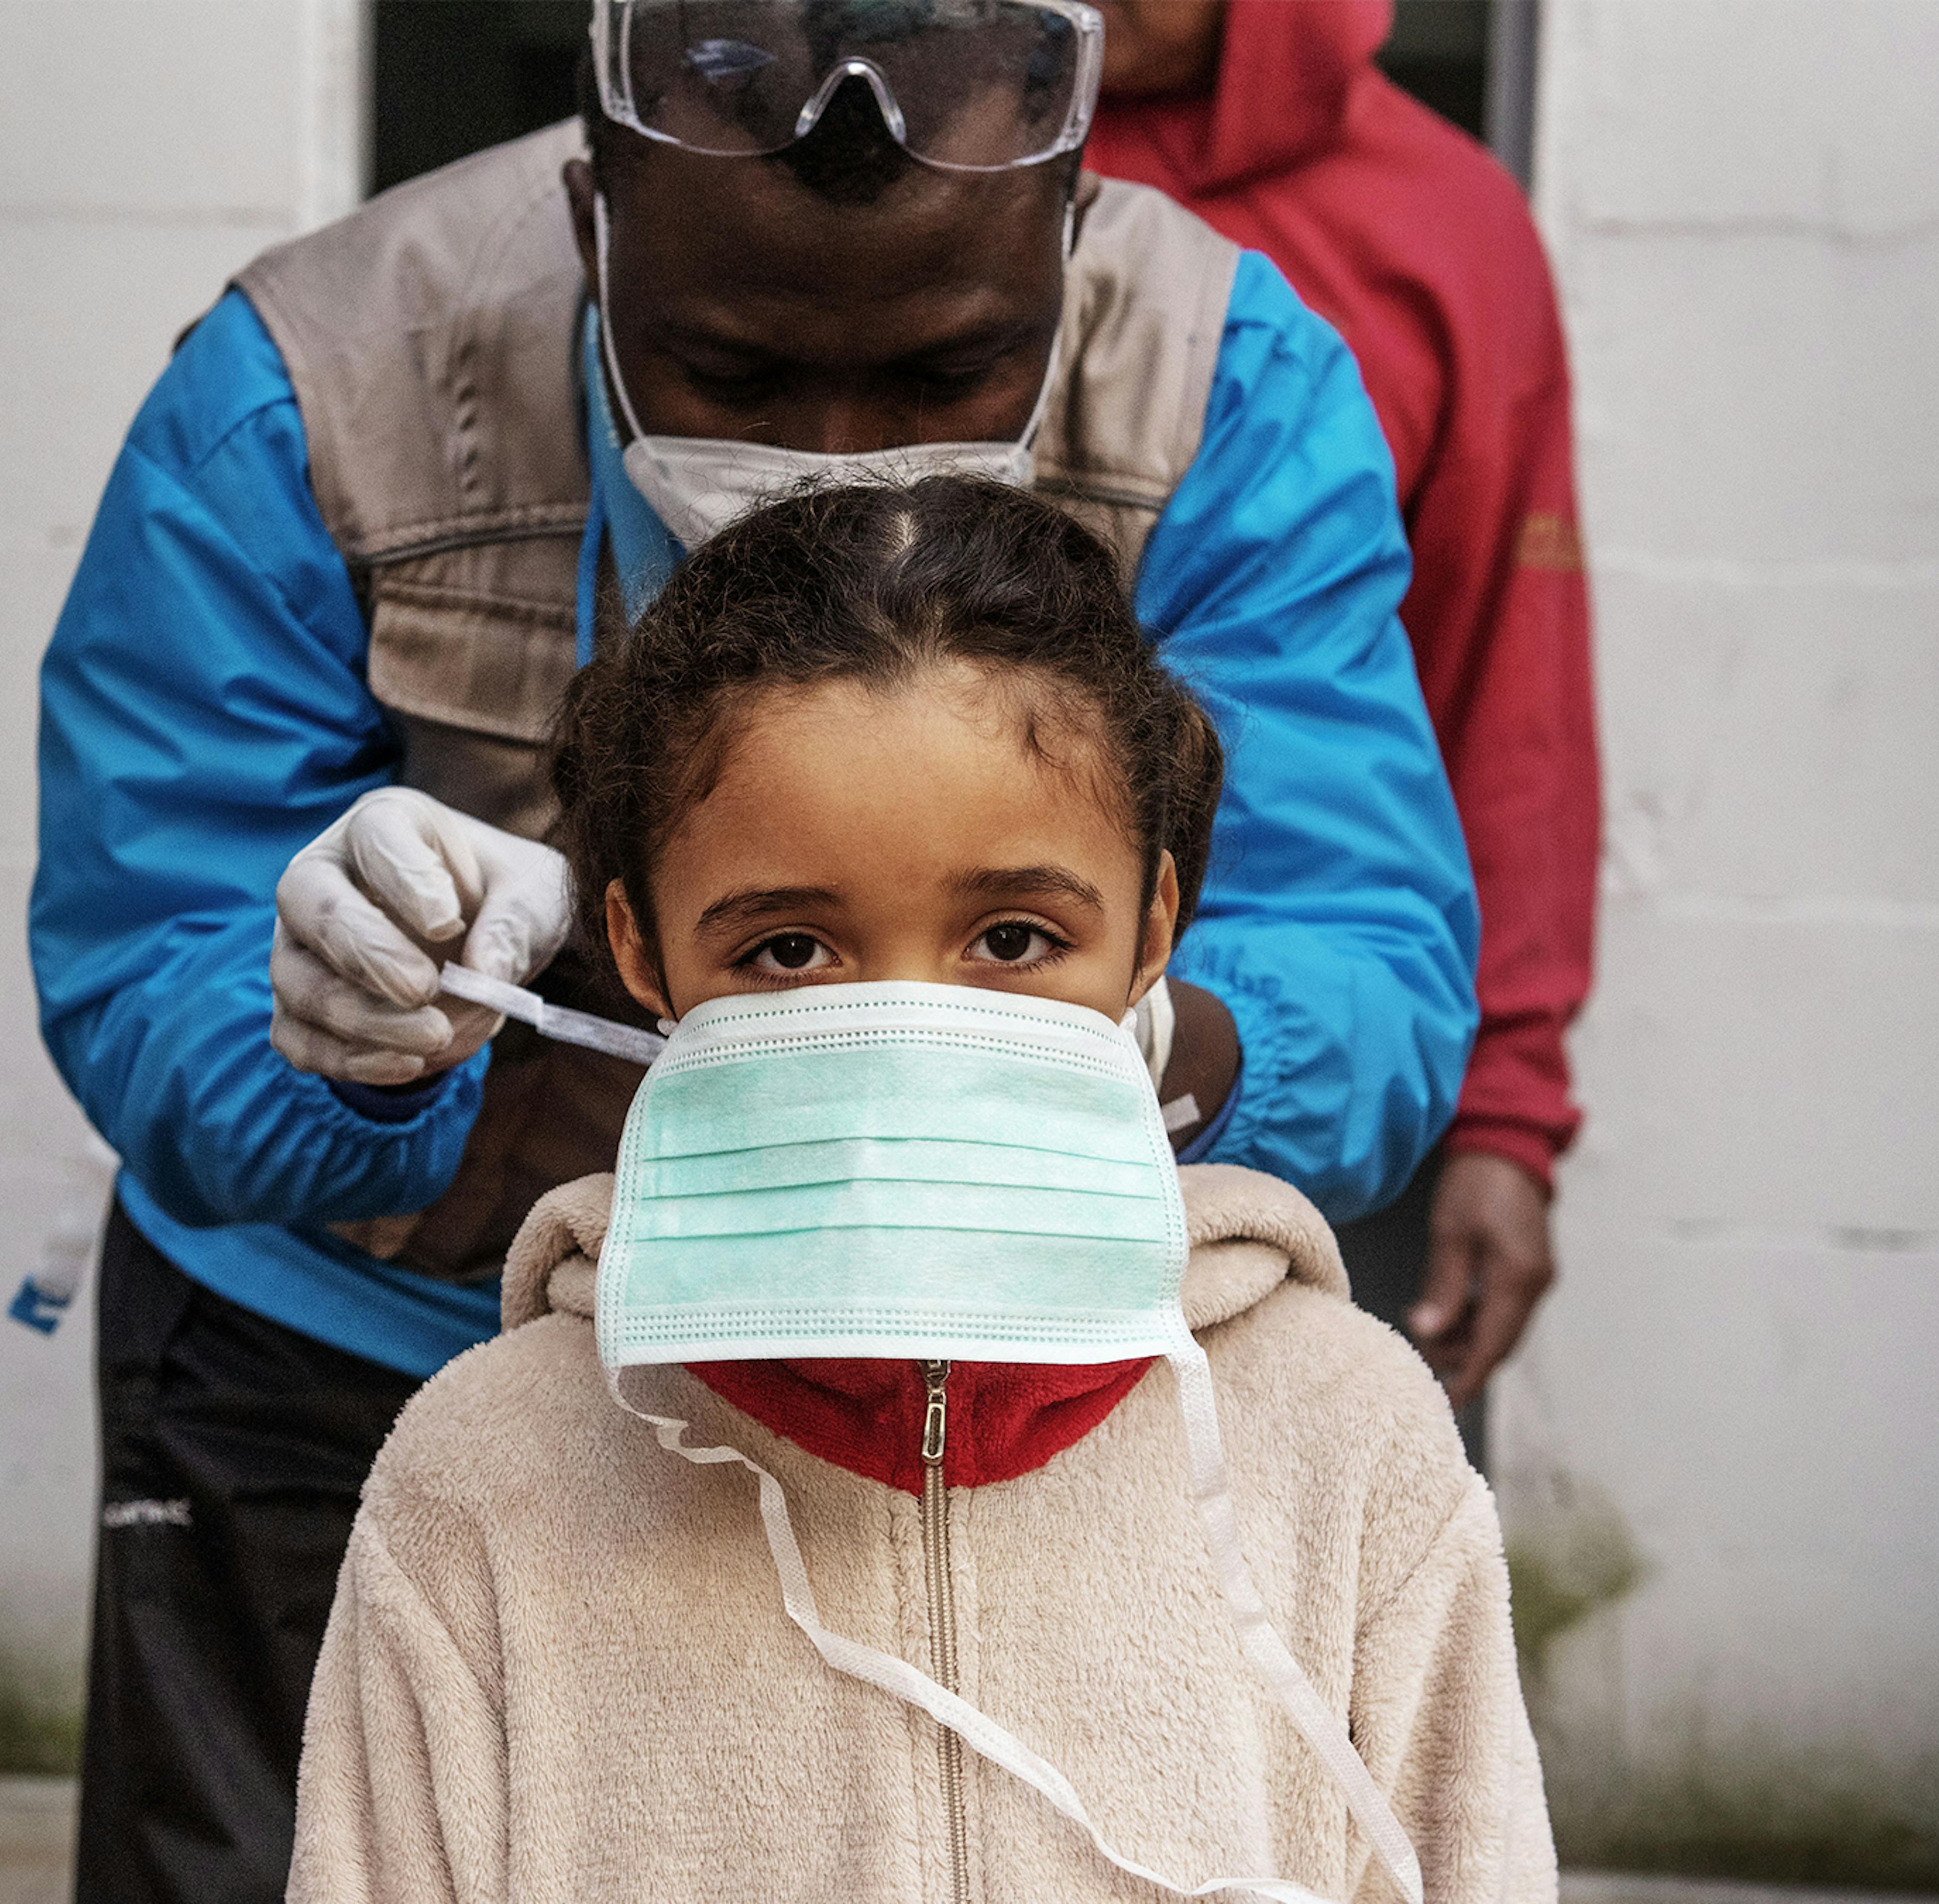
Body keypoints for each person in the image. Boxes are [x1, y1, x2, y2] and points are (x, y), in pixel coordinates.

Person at [29, 4, 1476, 1890]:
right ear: (593, 210)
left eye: (952, 367)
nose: (837, 460)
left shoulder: (1230, 390)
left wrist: (1149, 1039)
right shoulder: (305, 393)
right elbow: (152, 954)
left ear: (1069, 225)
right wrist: (345, 1040)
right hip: (348, 1369)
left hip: (980, 1367)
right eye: (732, 369)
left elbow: (1366, 948)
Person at [290, 476, 1551, 1903]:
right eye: (788, 950)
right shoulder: (484, 1478)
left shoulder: (1348, 1439)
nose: (903, 1032)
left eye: (1012, 935)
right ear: (639, 952)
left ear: (1153, 929)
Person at [1088, 0, 1602, 1427]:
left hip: (1297, 1095)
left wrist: (1509, 1110)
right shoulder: (936, 162)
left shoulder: (1446, 227)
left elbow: (1510, 687)